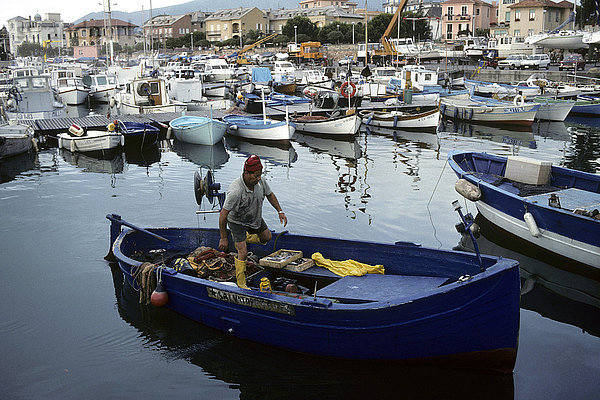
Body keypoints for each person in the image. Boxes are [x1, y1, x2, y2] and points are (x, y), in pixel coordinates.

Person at [218, 155, 287, 288]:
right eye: (256, 176)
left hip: (254, 217)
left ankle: (244, 239)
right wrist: (223, 238)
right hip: (237, 221)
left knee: (267, 237)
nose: (258, 178)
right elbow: (223, 215)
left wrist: (280, 211)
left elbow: (270, 195)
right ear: (246, 173)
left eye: (260, 175)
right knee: (242, 252)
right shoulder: (236, 191)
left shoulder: (260, 182)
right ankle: (241, 282)